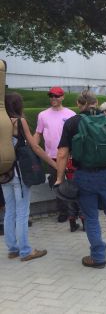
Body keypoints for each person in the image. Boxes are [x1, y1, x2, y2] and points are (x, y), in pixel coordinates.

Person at [55, 90, 106, 269]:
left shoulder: (73, 122)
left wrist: (59, 178)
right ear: (96, 103)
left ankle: (97, 257)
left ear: (80, 105)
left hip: (85, 175)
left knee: (91, 216)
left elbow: (63, 153)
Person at [2, 92, 56, 261]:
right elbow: (36, 147)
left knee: (10, 210)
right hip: (19, 174)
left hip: (4, 174)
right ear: (18, 105)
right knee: (23, 212)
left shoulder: (2, 122)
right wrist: (55, 166)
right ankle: (26, 251)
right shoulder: (19, 121)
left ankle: (12, 248)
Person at [34, 87, 76, 224]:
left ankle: (74, 212)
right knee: (57, 184)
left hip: (69, 156)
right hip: (51, 156)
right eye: (51, 96)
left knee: (72, 185)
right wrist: (33, 146)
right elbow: (38, 133)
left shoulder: (71, 114)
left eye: (56, 96)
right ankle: (63, 211)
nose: (53, 98)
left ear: (62, 97)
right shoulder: (42, 115)